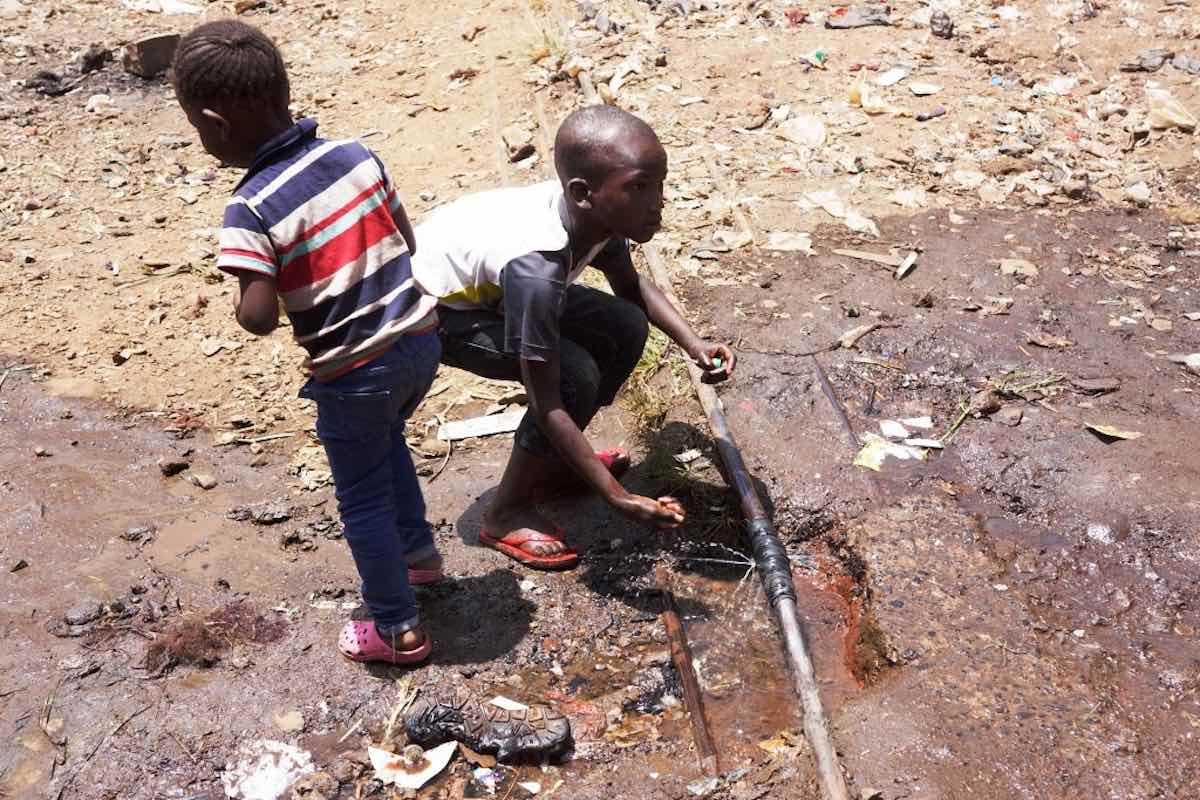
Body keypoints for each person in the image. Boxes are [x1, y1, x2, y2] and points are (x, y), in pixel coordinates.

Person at [173, 19, 442, 665]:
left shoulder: (251, 207)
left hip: (354, 373)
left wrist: (244, 289)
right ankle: (420, 557)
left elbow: (260, 317)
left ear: (215, 123)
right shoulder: (353, 153)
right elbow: (403, 236)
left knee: (360, 494)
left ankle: (397, 628)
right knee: (386, 444)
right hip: (419, 342)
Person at [412, 105, 736, 571]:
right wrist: (617, 496)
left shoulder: (602, 214)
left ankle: (555, 465)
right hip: (438, 310)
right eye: (641, 187)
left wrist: (695, 344)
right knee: (572, 376)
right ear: (583, 194)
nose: (658, 201)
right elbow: (546, 399)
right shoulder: (538, 267)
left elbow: (631, 289)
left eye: (659, 183)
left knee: (624, 327)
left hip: (496, 290)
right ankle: (505, 513)